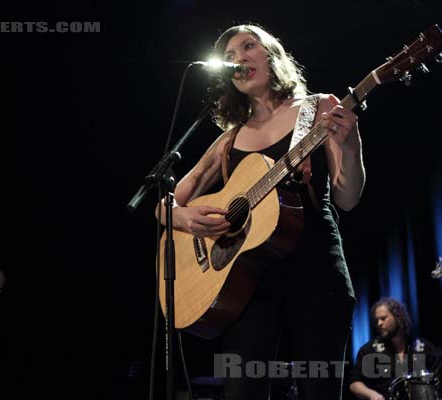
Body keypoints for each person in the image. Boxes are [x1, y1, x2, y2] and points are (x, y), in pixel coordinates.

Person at [156, 24, 365, 399]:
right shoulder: (229, 139)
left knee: (320, 390)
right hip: (246, 282)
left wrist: (350, 147)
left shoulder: (320, 108)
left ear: (272, 55)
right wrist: (182, 216)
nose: (239, 59)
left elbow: (347, 199)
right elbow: (166, 201)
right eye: (230, 57)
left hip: (315, 269)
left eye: (248, 46)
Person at [349, 298, 440, 400]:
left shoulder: (423, 347)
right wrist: (372, 395)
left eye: (383, 318)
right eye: (377, 320)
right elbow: (354, 383)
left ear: (398, 317)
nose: (379, 323)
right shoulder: (369, 350)